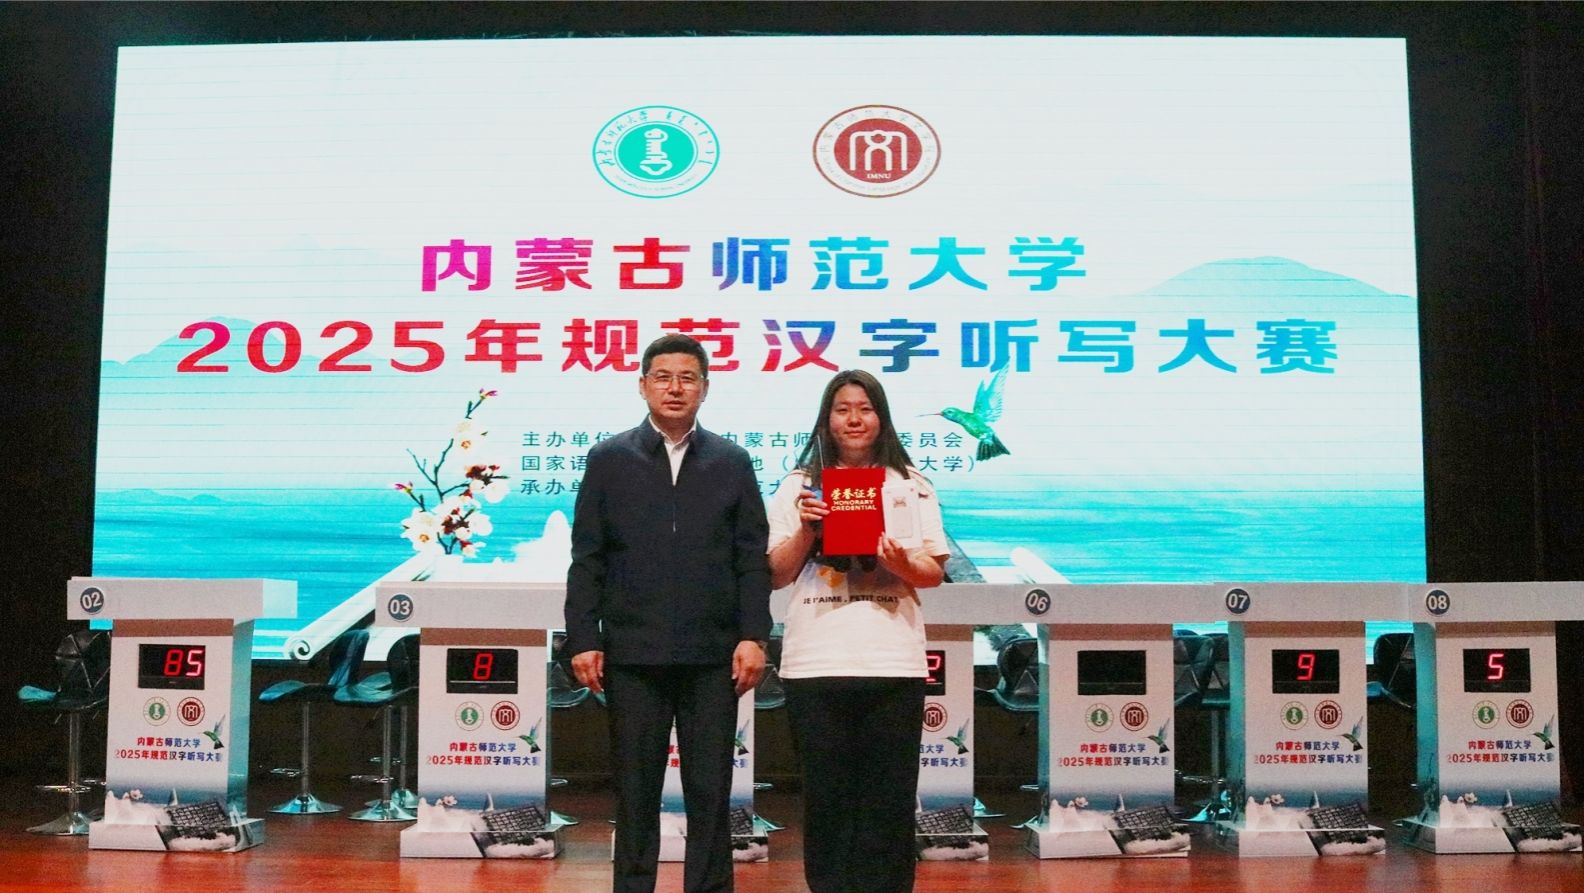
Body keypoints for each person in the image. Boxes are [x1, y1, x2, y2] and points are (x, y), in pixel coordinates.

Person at [565, 334, 771, 893]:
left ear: (705, 388)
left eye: (687, 377)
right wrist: (583, 637)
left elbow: (750, 559)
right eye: (662, 376)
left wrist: (754, 636)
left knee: (711, 791)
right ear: (642, 385)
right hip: (633, 654)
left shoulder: (731, 461)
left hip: (712, 656)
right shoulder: (610, 459)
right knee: (635, 792)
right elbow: (588, 557)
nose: (674, 388)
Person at [766, 369, 950, 893]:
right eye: (843, 409)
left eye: (865, 408)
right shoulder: (798, 486)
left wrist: (899, 563)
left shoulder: (910, 484)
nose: (854, 419)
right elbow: (775, 573)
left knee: (889, 800)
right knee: (826, 799)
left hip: (893, 662)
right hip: (815, 663)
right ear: (827, 419)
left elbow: (932, 573)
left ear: (881, 418)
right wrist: (808, 530)